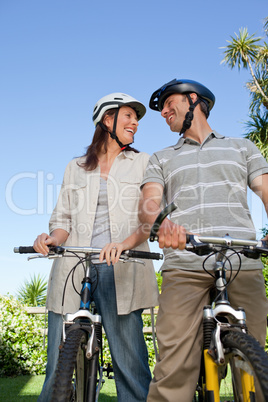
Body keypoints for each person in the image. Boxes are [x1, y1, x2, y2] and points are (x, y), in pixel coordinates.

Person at [138, 78, 268, 401]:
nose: (165, 112)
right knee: (173, 366)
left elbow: (265, 188)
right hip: (185, 263)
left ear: (193, 100)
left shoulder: (242, 147)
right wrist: (161, 222)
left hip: (242, 259)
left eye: (170, 103)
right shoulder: (162, 157)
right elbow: (148, 203)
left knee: (255, 361)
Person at [33, 92, 159, 402]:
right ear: (107, 119)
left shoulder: (144, 162)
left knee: (130, 367)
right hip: (73, 267)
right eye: (129, 116)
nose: (136, 123)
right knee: (56, 366)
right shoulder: (75, 167)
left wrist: (124, 243)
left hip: (122, 267)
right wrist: (52, 239)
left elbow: (150, 214)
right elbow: (62, 220)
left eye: (137, 118)